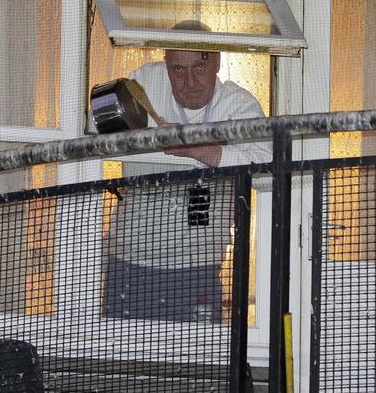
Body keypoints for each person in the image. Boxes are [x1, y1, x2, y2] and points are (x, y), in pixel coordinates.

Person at [102, 20, 272, 322]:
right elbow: (98, 126)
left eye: (199, 68)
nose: (190, 81)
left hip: (198, 269)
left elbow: (267, 171)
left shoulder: (238, 105)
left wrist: (194, 147)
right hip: (128, 265)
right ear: (165, 63)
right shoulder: (144, 84)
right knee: (123, 365)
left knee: (197, 366)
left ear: (217, 62)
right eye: (178, 70)